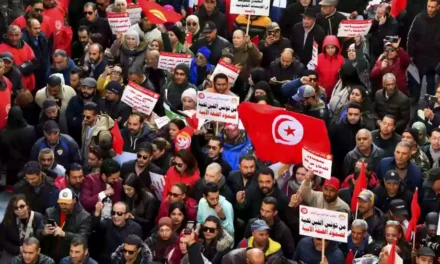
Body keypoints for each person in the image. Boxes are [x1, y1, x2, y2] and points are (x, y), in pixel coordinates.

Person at [38, 188, 91, 262]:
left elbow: (83, 238)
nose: (63, 206)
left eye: (66, 203)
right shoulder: (50, 212)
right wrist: (43, 232)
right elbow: (37, 234)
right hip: (49, 256)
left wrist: (64, 234)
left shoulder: (84, 217)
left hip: (69, 258)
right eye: (61, 203)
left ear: (74, 201)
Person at [408, 0, 440, 96]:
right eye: (428, 6)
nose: (430, 9)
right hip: (419, 57)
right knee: (416, 83)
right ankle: (414, 102)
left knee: (431, 84)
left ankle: (430, 105)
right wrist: (411, 54)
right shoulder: (419, 18)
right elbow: (411, 37)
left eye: (432, 7)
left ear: (438, 7)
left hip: (434, 58)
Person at [0, 194, 44, 263]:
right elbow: (2, 240)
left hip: (33, 252)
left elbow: (42, 240)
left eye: (22, 206)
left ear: (27, 205)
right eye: (16, 208)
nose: (19, 210)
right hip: (13, 251)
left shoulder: (38, 218)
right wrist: (17, 249)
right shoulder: (8, 219)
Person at [0, 106, 37, 186]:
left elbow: (3, 155)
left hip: (10, 168)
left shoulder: (3, 133)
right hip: (27, 166)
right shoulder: (31, 130)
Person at [0, 25, 37, 91]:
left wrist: (22, 67)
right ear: (7, 35)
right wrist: (23, 67)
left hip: (30, 86)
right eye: (11, 35)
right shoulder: (1, 48)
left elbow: (35, 62)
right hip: (13, 87)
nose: (14, 38)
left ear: (21, 35)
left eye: (16, 35)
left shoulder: (25, 45)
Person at [122, 173, 159, 238]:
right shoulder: (126, 194)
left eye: (129, 189)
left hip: (143, 231)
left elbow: (149, 222)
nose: (126, 192)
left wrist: (133, 218)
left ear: (136, 187)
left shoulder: (150, 199)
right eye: (124, 189)